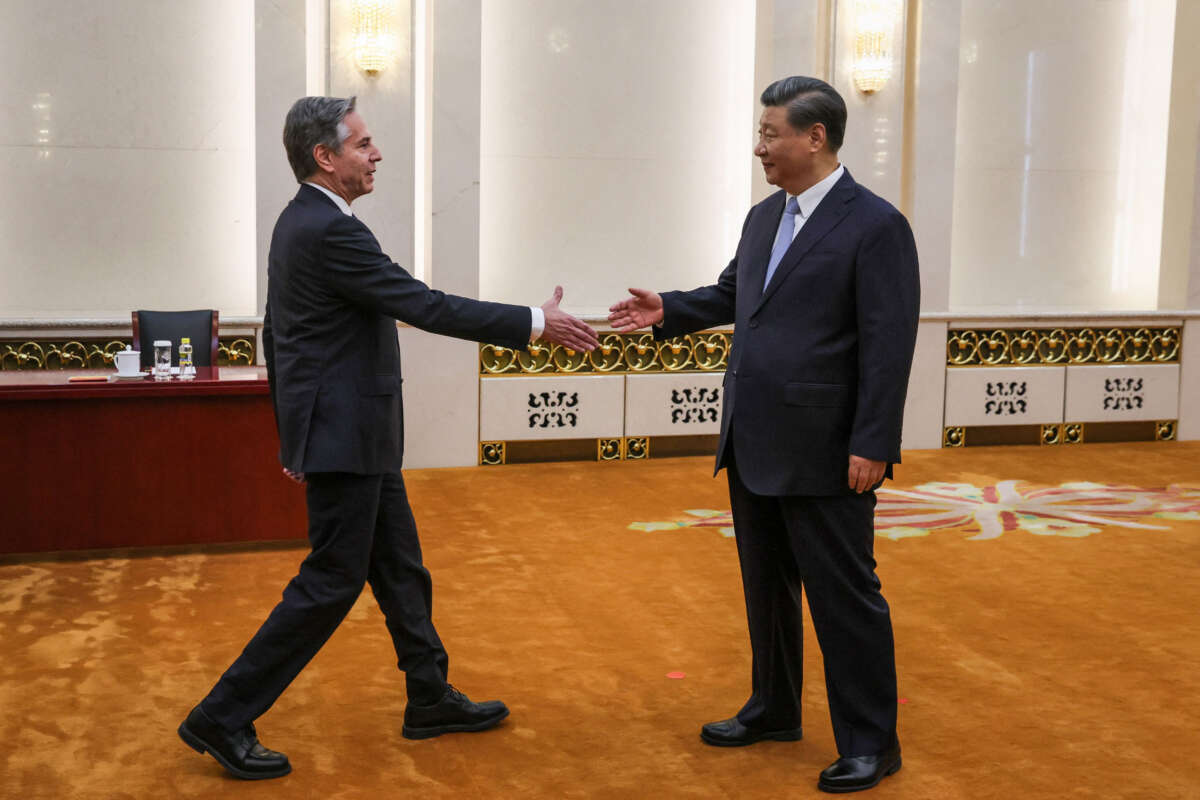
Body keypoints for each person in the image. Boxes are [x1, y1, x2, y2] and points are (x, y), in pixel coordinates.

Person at [178, 95, 600, 780]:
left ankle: (429, 695)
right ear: (325, 156)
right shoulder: (327, 230)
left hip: (355, 434)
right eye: (364, 144)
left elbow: (276, 334)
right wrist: (534, 323)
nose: (377, 155)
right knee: (330, 582)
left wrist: (295, 434)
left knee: (400, 567)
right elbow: (423, 304)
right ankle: (223, 715)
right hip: (348, 437)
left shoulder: (303, 223)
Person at [608, 76, 919, 794]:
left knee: (844, 597)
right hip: (753, 440)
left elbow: (888, 342)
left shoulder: (875, 226)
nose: (760, 147)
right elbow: (734, 294)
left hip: (829, 449)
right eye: (761, 133)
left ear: (815, 137)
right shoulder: (762, 219)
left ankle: (872, 742)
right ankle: (774, 707)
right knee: (767, 590)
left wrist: (873, 442)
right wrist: (670, 309)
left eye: (771, 133)